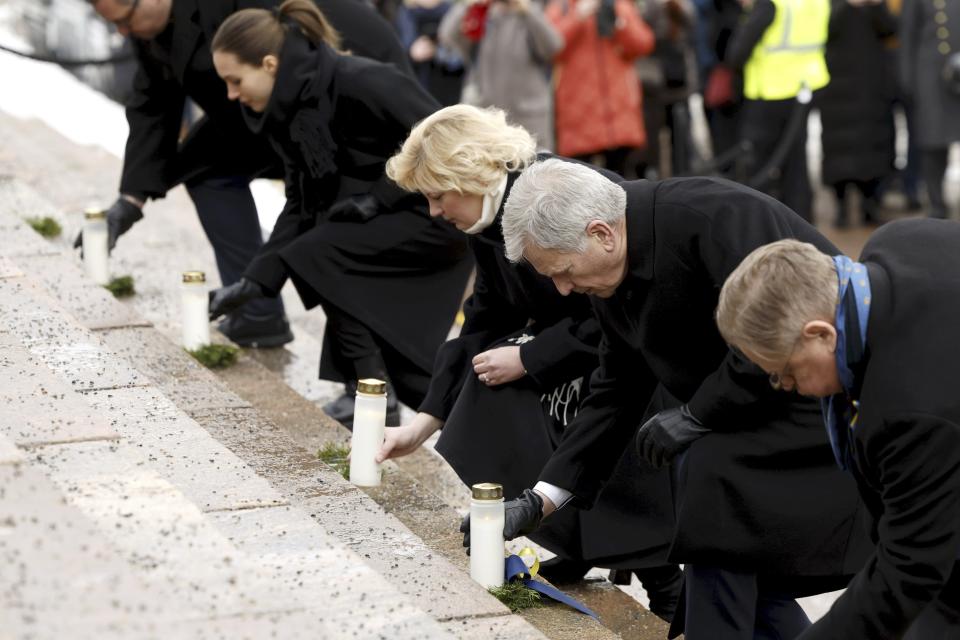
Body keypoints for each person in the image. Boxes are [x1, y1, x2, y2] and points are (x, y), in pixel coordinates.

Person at [486, 158, 870, 639]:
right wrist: (542, 498)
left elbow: (786, 335)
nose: (563, 289)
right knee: (728, 563)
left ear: (602, 233)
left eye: (563, 271)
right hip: (739, 416)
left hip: (822, 397)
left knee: (714, 514)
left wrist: (695, 413)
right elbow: (617, 386)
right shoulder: (608, 267)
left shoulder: (713, 218)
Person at [381, 105, 681, 618]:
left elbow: (614, 306)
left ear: (469, 173)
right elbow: (484, 315)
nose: (434, 211)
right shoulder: (486, 213)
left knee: (596, 427)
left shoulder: (551, 194)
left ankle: (665, 584)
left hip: (629, 360)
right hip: (573, 352)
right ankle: (572, 543)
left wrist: (531, 357)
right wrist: (424, 422)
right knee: (484, 380)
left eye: (437, 194)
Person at [81, 0, 414, 347]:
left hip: (340, 88)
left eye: (124, 20)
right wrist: (131, 199)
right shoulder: (148, 27)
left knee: (332, 208)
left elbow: (301, 62)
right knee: (205, 169)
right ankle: (256, 311)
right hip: (260, 106)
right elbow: (154, 100)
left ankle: (371, 375)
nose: (122, 32)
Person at [209, 0, 472, 425]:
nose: (231, 94)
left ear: (270, 64)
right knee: (315, 248)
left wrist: (379, 196)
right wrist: (254, 282)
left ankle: (374, 392)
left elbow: (442, 134)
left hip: (438, 213)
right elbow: (301, 205)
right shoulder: (288, 111)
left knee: (319, 253)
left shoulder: (359, 79)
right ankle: (369, 388)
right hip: (375, 216)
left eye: (235, 80)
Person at [715, 221, 960, 638]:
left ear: (821, 334)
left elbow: (909, 570)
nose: (787, 388)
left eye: (785, 372)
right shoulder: (898, 241)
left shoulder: (908, 407)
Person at [725, 0, 831, 222]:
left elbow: (736, 54)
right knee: (797, 165)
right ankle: (801, 226)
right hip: (806, 86)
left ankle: (759, 225)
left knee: (758, 168)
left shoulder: (771, 3)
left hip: (770, 91)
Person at [545, 0, 655, 176]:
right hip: (578, 116)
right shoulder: (562, 7)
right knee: (580, 187)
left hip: (619, 115)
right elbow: (549, 47)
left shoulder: (618, 6)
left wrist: (619, 23)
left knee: (622, 185)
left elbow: (644, 44)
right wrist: (577, 17)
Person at [438, 0, 563, 151]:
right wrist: (469, 4)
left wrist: (526, 8)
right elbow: (447, 35)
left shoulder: (529, 14)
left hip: (530, 121)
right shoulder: (481, 17)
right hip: (489, 121)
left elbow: (554, 46)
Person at [819, 0, 897, 227]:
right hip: (837, 89)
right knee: (838, 151)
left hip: (871, 88)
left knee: (873, 149)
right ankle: (841, 208)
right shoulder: (832, 5)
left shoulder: (876, 5)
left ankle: (870, 206)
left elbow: (891, 29)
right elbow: (824, 29)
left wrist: (874, 6)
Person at [899, 0, 960, 219]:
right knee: (933, 143)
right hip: (930, 76)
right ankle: (937, 203)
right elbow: (908, 34)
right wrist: (908, 80)